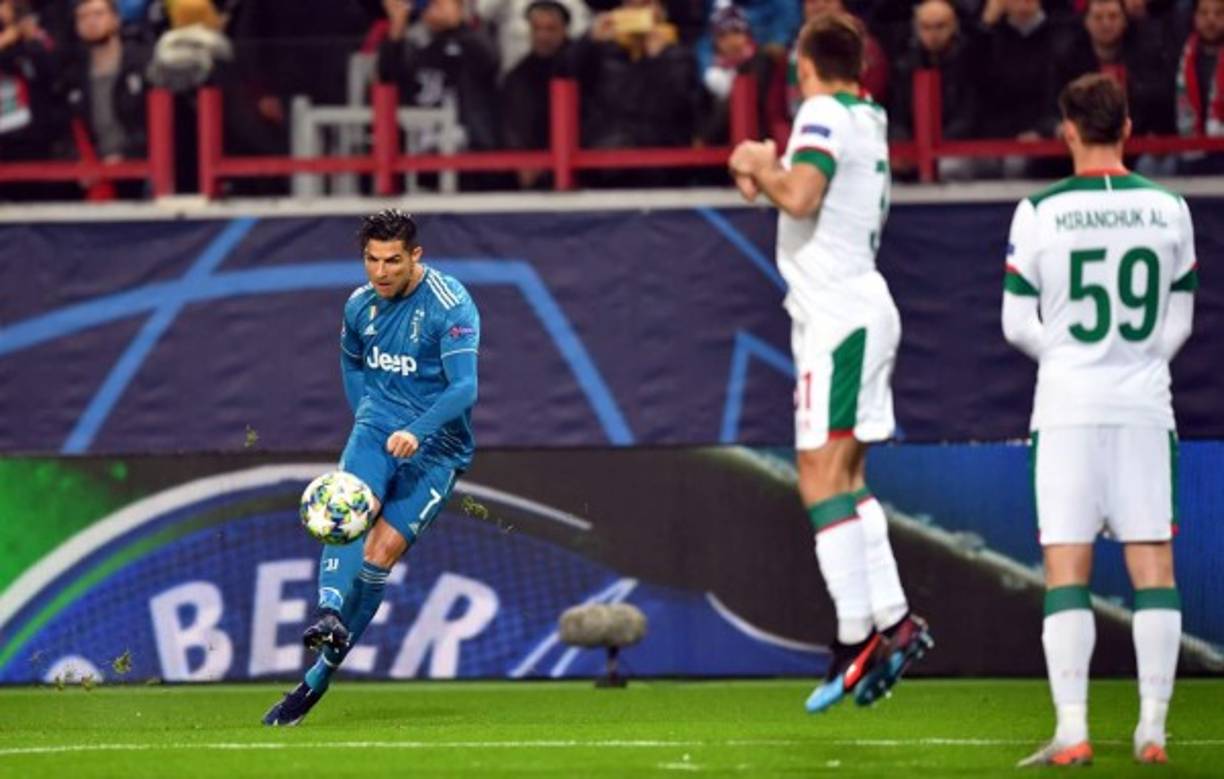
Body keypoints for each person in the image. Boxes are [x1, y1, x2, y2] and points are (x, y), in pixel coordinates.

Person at [728, 13, 932, 715]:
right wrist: (762, 168)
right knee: (845, 477)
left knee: (819, 474)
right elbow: (793, 192)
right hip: (855, 308)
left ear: (803, 66)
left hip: (839, 317)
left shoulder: (820, 113)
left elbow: (800, 194)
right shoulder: (867, 114)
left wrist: (758, 162)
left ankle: (855, 636)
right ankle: (893, 620)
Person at [1003, 74, 1195, 767]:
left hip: (1068, 408)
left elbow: (1016, 323)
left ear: (1068, 130)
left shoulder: (1038, 211)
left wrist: (1070, 357)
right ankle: (1152, 731)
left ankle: (1074, 730)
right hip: (1143, 405)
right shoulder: (1171, 209)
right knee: (1154, 564)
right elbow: (1179, 321)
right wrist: (1132, 361)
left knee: (1067, 567)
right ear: (1128, 128)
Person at [264, 209, 481, 726]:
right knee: (345, 506)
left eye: (392, 261)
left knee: (378, 555)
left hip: (437, 446)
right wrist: (367, 416)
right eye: (372, 260)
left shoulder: (450, 304)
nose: (380, 272)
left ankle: (316, 681)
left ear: (415, 256)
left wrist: (417, 430)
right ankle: (328, 611)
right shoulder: (359, 305)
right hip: (378, 429)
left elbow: (464, 388)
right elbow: (351, 362)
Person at [501, 0, 573, 188]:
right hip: (531, 170)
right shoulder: (518, 75)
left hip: (577, 162)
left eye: (550, 29)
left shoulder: (579, 66)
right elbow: (512, 123)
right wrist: (523, 158)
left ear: (564, 30)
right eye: (537, 29)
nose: (542, 36)